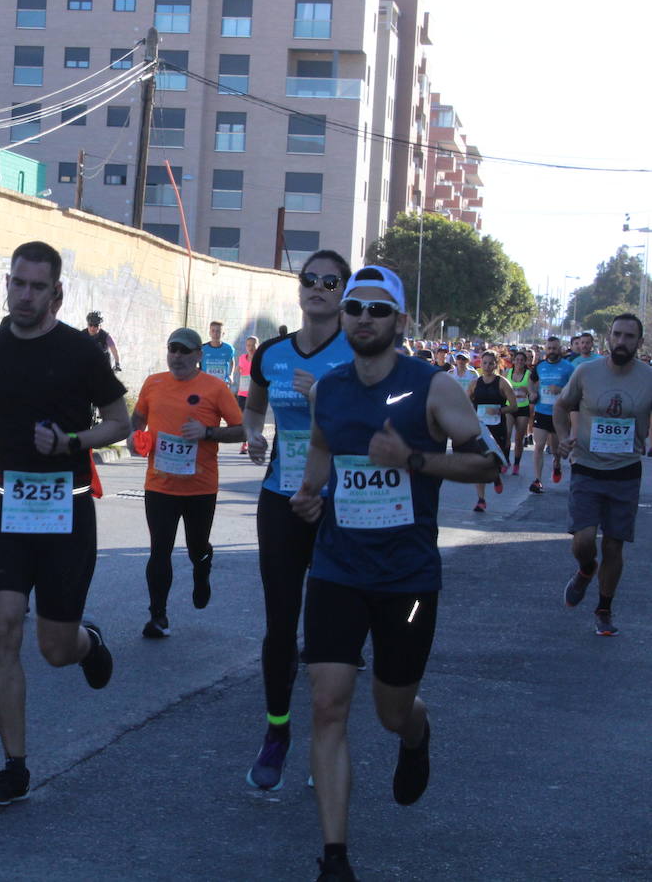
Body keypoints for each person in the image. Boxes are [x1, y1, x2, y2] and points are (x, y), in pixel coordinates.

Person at [289, 265, 503, 882]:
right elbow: (325, 450)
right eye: (354, 307)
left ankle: (415, 734)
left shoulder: (434, 388)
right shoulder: (328, 389)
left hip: (407, 579)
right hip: (336, 568)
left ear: (400, 322)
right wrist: (310, 496)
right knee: (328, 703)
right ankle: (334, 858)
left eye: (377, 310)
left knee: (390, 709)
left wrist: (412, 458)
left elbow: (490, 463)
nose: (362, 318)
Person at [0, 241, 129, 807]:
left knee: (54, 647)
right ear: (7, 283)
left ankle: (86, 642)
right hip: (7, 505)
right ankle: (14, 768)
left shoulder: (80, 352)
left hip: (67, 507)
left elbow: (121, 421)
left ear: (57, 293)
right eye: (17, 284)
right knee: (2, 630)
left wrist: (73, 441)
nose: (25, 295)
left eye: (37, 287)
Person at [241, 248, 354, 792]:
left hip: (342, 506)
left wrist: (324, 405)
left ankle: (326, 739)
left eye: (330, 282)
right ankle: (277, 730)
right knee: (281, 623)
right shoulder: (272, 354)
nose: (317, 288)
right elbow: (254, 406)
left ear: (344, 293)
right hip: (281, 499)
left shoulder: (357, 355)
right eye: (310, 279)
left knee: (331, 628)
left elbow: (370, 430)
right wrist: (252, 434)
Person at [128, 328, 243, 637]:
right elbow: (138, 418)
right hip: (159, 485)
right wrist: (134, 435)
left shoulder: (215, 388)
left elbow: (241, 430)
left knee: (196, 548)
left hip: (200, 487)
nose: (176, 355)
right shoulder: (153, 383)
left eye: (184, 350)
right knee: (159, 550)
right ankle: (157, 617)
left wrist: (207, 433)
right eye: (172, 349)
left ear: (198, 356)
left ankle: (202, 567)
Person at [553, 314, 652, 637]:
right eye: (617, 335)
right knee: (583, 541)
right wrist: (564, 436)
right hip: (586, 465)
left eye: (629, 337)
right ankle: (585, 569)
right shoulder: (586, 372)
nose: (622, 341)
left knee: (613, 545)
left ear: (640, 341)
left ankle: (604, 608)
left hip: (625, 470)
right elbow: (561, 405)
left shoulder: (648, 377)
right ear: (608, 337)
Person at [467, 351, 517, 512]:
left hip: (497, 427)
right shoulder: (474, 383)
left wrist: (499, 411)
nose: (487, 366)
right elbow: (465, 403)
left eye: (490, 363)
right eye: (484, 363)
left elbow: (514, 406)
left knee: (494, 461)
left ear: (496, 364)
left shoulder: (502, 383)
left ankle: (495, 475)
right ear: (480, 364)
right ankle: (481, 499)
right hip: (480, 428)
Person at [530, 336, 575, 494]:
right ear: (545, 349)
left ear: (560, 349)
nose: (551, 352)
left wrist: (561, 390)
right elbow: (531, 381)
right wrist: (533, 393)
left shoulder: (568, 367)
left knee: (556, 450)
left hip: (560, 414)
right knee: (539, 446)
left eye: (554, 349)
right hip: (542, 411)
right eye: (549, 349)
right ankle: (537, 480)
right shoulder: (540, 366)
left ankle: (556, 464)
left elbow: (576, 388)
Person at [503, 349, 535, 475]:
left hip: (523, 407)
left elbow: (533, 390)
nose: (519, 362)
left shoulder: (529, 374)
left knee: (519, 438)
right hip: (510, 407)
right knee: (507, 435)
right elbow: (502, 389)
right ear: (514, 361)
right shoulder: (508, 372)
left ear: (525, 361)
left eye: (522, 360)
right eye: (517, 360)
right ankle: (505, 461)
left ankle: (516, 463)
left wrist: (527, 389)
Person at [200, 321, 237, 395]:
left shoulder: (229, 349)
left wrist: (231, 375)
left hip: (222, 384)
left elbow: (232, 361)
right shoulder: (202, 348)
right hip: (206, 384)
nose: (215, 334)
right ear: (209, 333)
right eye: (213, 331)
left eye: (218, 331)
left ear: (223, 334)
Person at [236, 335, 258, 453]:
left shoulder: (260, 359)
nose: (251, 348)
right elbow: (239, 370)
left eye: (253, 345)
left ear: (257, 346)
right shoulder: (241, 358)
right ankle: (244, 443)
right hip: (243, 393)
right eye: (248, 345)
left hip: (255, 393)